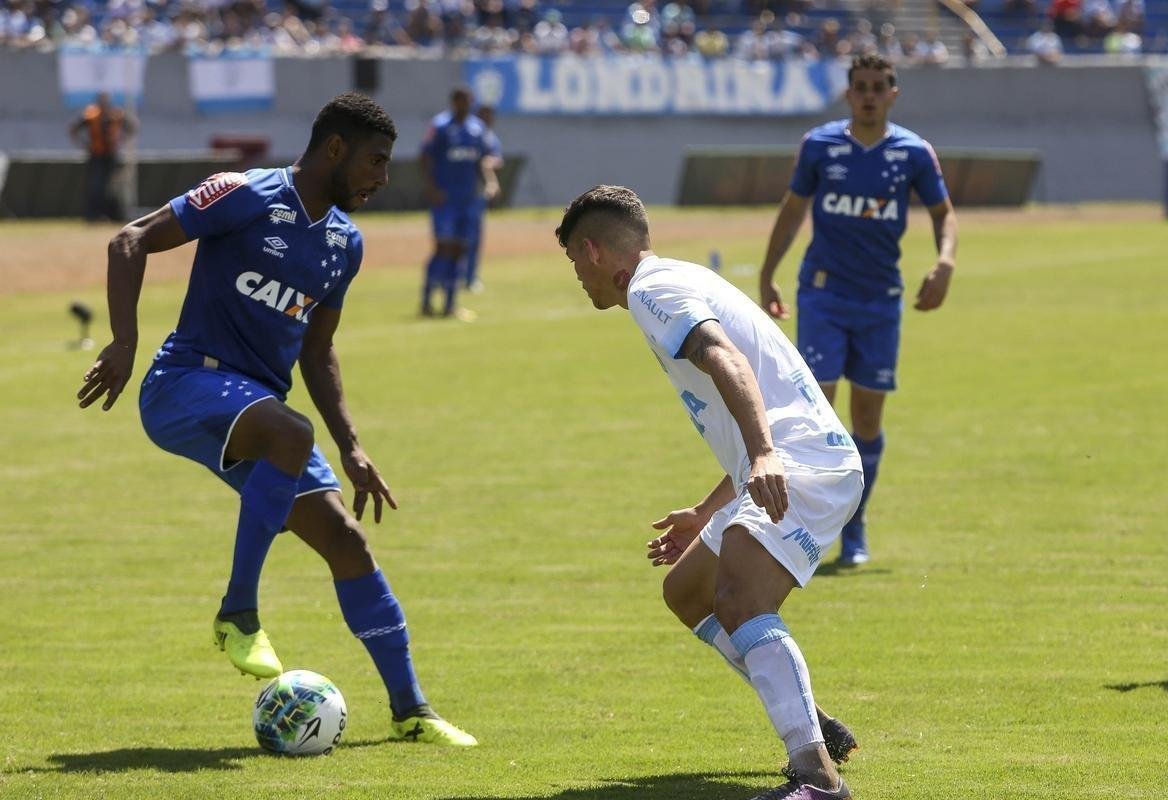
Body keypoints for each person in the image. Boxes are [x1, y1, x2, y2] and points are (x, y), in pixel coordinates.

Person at [75, 92, 476, 747]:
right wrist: (123, 341)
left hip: (257, 410)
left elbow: (318, 352)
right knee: (291, 431)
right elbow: (132, 239)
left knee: (346, 540)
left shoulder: (345, 242)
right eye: (375, 160)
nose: (383, 176)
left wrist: (352, 446)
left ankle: (413, 712)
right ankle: (239, 611)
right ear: (335, 149)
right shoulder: (245, 194)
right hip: (184, 383)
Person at [557, 185, 863, 800]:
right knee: (689, 590)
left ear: (592, 250)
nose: (579, 278)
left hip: (804, 460)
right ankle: (811, 721)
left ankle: (817, 780)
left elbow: (724, 358)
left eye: (574, 263)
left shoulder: (650, 289)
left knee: (740, 598)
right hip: (791, 453)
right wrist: (707, 509)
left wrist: (765, 455)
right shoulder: (675, 278)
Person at [758, 53, 958, 567]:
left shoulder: (913, 152)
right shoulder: (820, 145)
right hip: (822, 294)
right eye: (861, 87)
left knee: (866, 418)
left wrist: (945, 261)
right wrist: (767, 272)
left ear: (893, 94)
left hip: (880, 299)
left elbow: (943, 214)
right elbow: (793, 209)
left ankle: (855, 521)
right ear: (848, 94)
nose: (869, 95)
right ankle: (805, 527)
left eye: (878, 87)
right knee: (817, 414)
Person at [419, 86, 498, 319]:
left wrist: (490, 183)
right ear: (453, 102)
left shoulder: (477, 128)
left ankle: (450, 305)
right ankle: (426, 302)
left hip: (468, 200)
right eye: (461, 101)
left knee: (460, 250)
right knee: (442, 248)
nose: (464, 105)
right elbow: (425, 157)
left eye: (468, 101)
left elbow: (483, 160)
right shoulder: (440, 125)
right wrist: (431, 188)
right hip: (445, 200)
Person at [69, 92, 136, 222]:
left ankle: (113, 215)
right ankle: (93, 216)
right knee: (96, 186)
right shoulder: (91, 115)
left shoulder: (116, 115)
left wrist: (121, 140)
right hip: (96, 156)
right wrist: (84, 144)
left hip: (111, 156)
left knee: (112, 188)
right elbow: (73, 129)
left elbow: (132, 127)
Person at [460, 103, 503, 294]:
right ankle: (452, 276)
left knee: (473, 238)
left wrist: (490, 171)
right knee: (455, 237)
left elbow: (495, 158)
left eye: (489, 115)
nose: (487, 118)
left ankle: (469, 278)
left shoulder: (488, 136)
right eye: (483, 114)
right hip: (458, 192)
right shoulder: (468, 132)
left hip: (476, 194)